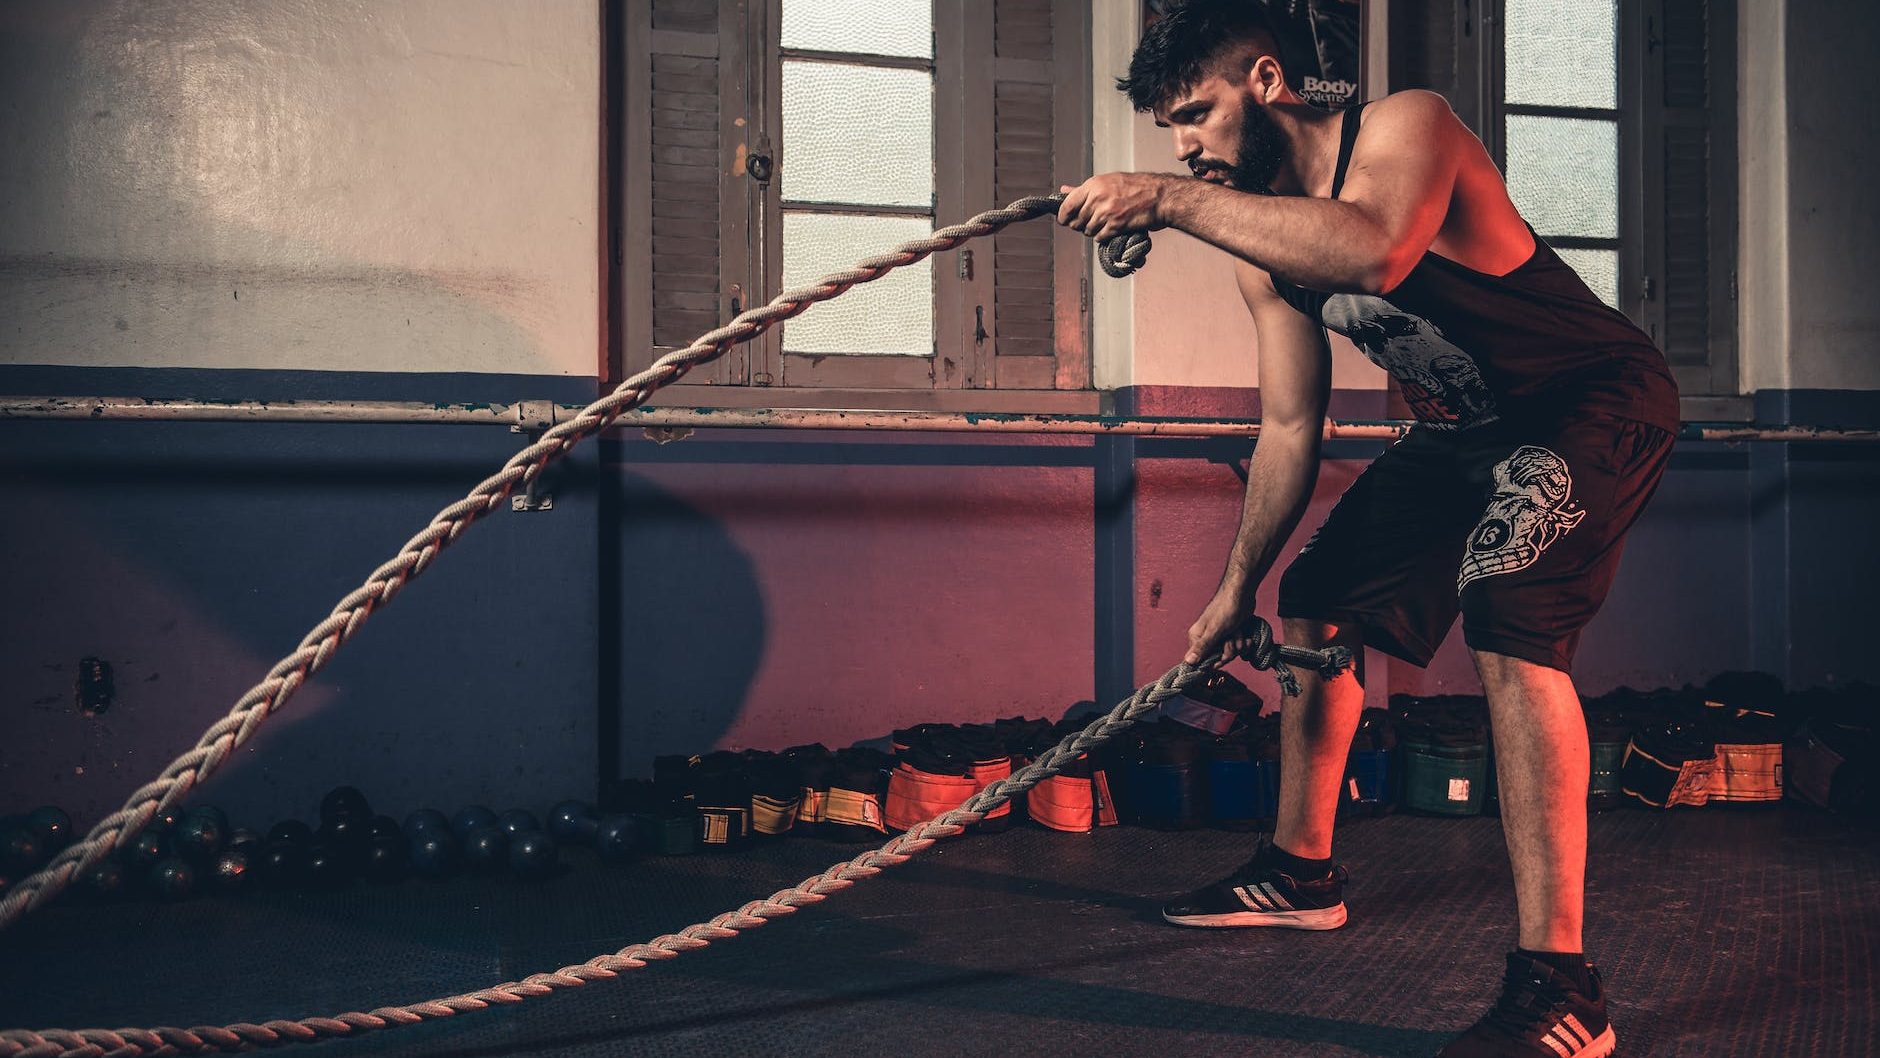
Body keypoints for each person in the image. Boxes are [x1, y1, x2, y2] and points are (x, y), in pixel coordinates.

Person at [1055, 2, 1677, 1055]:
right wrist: (1229, 589)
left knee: (1506, 610)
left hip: (1588, 398)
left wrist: (1163, 200)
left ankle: (1561, 988)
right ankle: (1299, 870)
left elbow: (1376, 251)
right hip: (1460, 427)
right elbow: (1291, 427)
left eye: (1194, 114)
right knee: (1316, 598)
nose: (1183, 147)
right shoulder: (1258, 239)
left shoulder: (1403, 128)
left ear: (1264, 79)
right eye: (1166, 133)